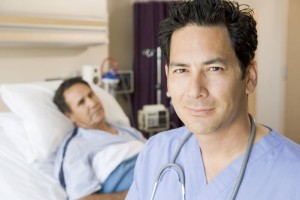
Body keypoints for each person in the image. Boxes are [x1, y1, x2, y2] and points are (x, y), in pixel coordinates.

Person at [126, 0, 300, 199]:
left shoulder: (293, 176)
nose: (195, 90)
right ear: (167, 77)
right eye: (181, 70)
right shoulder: (155, 153)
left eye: (214, 69)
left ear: (250, 77)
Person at [53, 77, 146, 200]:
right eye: (81, 102)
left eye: (91, 95)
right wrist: (137, 193)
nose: (92, 103)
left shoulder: (127, 131)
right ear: (70, 116)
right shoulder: (76, 148)